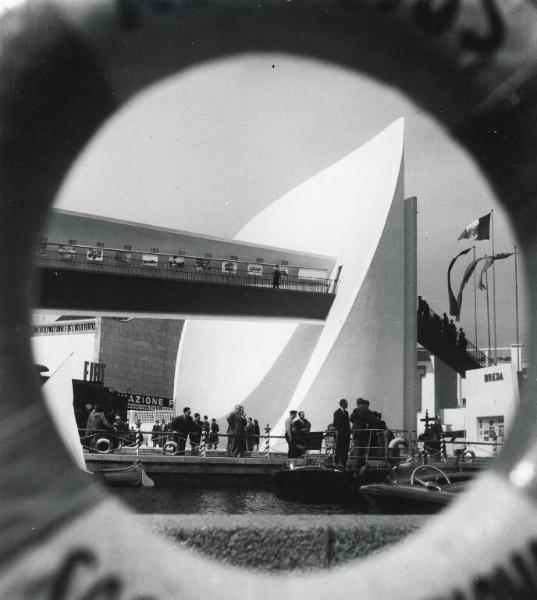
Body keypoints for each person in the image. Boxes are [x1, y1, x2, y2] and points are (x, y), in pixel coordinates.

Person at [333, 399, 351, 467]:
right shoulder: (337, 412)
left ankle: (344, 462)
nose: (347, 405)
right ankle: (336, 462)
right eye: (346, 403)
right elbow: (336, 423)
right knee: (339, 448)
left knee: (345, 448)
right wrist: (340, 431)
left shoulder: (346, 413)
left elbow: (347, 423)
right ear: (343, 404)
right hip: (340, 434)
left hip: (346, 434)